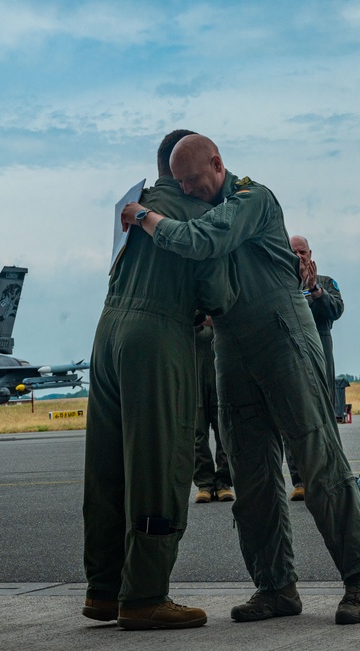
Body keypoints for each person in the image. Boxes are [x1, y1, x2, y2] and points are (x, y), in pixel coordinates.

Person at [123, 133, 360, 625]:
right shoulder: (200, 207)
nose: (189, 191)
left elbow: (206, 241)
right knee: (249, 473)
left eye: (193, 181)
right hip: (232, 346)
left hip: (283, 335)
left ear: (217, 164)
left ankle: (359, 579)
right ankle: (275, 586)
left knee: (317, 459)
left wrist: (143, 216)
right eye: (180, 185)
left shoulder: (251, 199)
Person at [82, 129, 237, 630]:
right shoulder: (197, 211)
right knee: (161, 463)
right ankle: (145, 594)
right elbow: (217, 295)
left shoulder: (135, 203)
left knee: (108, 467)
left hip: (107, 334)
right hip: (158, 334)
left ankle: (104, 590)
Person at [285, 234, 345, 501]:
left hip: (320, 354)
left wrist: (314, 289)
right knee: (292, 419)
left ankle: (330, 474)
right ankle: (300, 480)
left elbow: (336, 310)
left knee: (324, 416)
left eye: (303, 252)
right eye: (294, 252)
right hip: (288, 356)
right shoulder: (280, 283)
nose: (299, 257)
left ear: (311, 254)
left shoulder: (326, 282)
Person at [192, 317, 234, 504]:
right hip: (196, 373)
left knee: (223, 430)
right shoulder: (192, 302)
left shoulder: (221, 300)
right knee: (197, 432)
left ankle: (224, 482)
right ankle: (204, 484)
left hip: (222, 372)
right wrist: (200, 321)